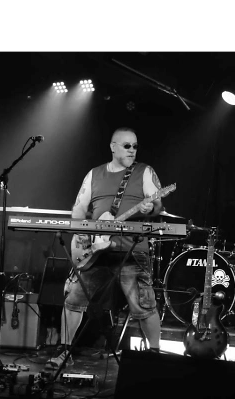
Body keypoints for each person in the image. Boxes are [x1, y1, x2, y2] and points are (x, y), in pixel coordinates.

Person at [47, 127, 163, 369]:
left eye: (135, 146)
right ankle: (64, 351)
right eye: (127, 146)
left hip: (131, 250)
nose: (132, 150)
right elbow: (79, 210)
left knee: (144, 305)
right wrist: (82, 237)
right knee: (73, 299)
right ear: (113, 146)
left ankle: (155, 357)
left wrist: (149, 208)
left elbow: (157, 205)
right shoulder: (94, 174)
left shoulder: (144, 171)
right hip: (95, 250)